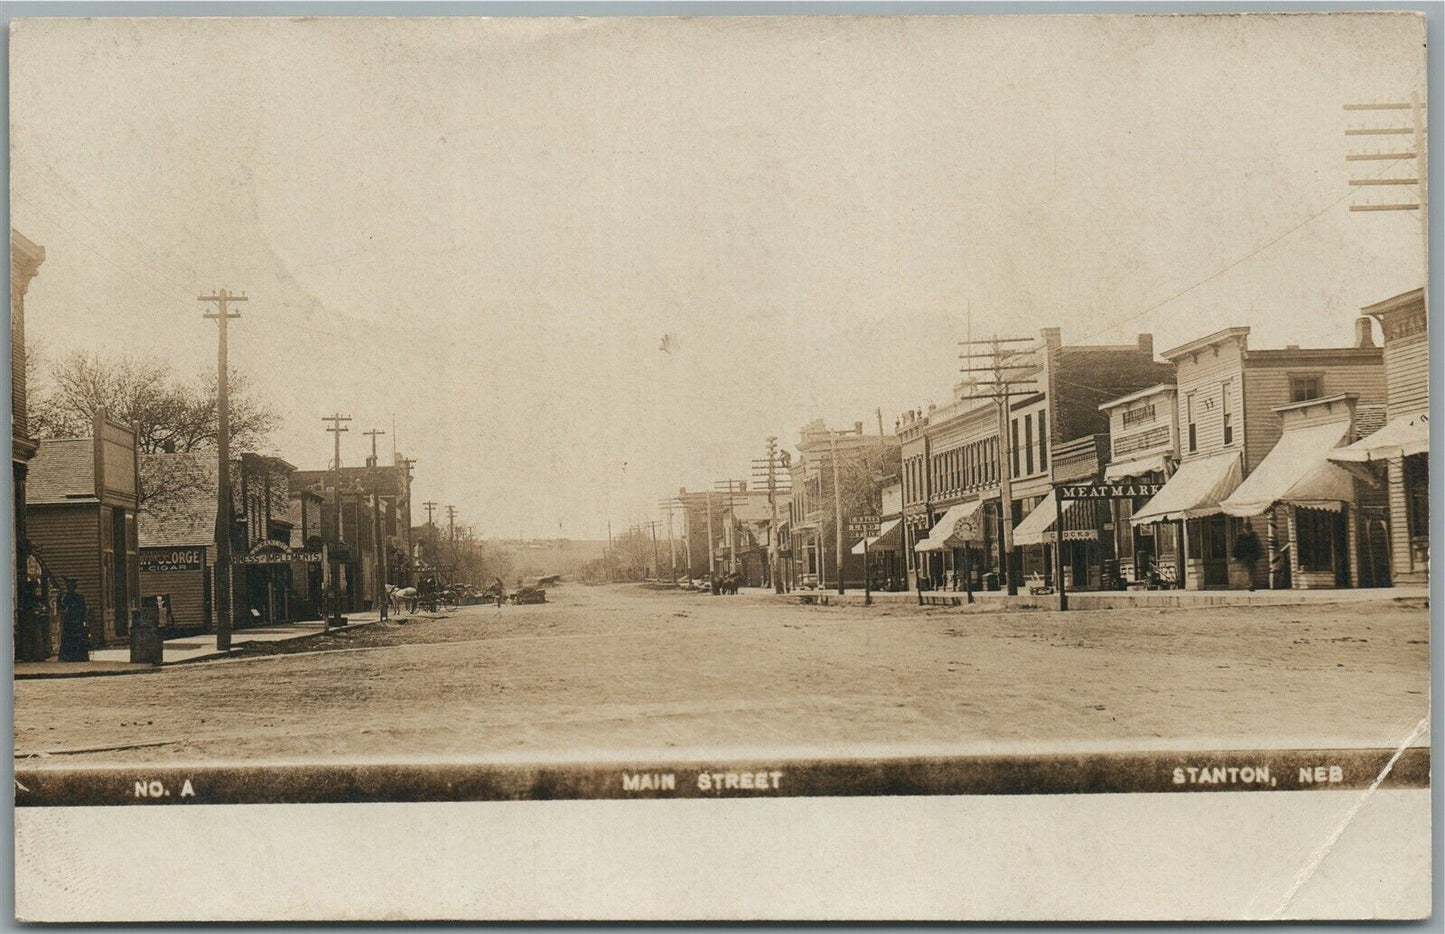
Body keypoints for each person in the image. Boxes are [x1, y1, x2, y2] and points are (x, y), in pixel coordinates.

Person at [58, 577, 89, 662]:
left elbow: (83, 609)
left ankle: (74, 656)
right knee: (72, 639)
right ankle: (75, 656)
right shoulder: (70, 597)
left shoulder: (77, 597)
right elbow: (63, 607)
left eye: (72, 587)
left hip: (74, 620)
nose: (70, 589)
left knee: (74, 639)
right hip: (72, 620)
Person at [1233, 526, 1262, 591]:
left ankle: (1251, 585)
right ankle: (1242, 585)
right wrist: (1235, 556)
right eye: (1246, 529)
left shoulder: (1254, 536)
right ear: (1244, 529)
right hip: (1243, 556)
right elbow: (1237, 546)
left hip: (1252, 556)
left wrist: (1258, 554)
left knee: (1252, 571)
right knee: (1245, 571)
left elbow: (1258, 545)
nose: (1247, 531)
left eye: (1249, 530)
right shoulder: (1241, 537)